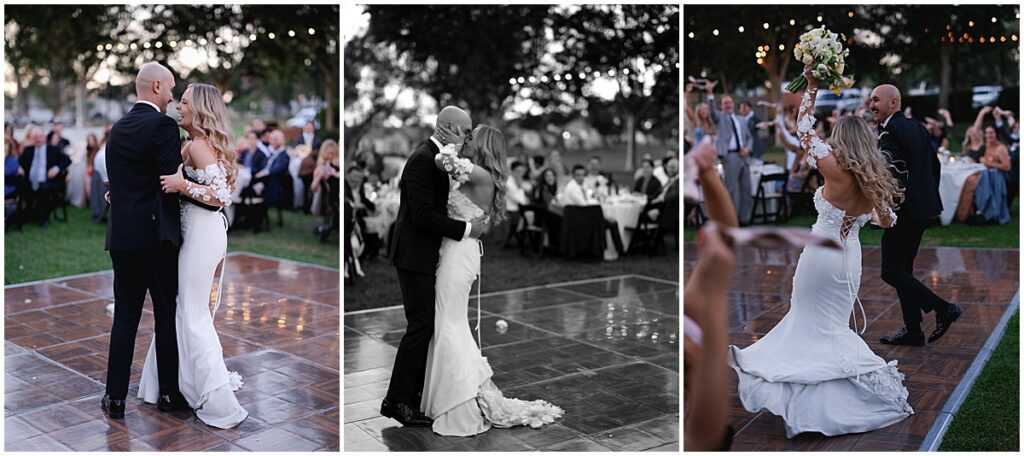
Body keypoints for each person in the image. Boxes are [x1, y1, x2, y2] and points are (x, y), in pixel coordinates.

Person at [729, 67, 913, 438]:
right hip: (850, 261)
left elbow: (803, 130)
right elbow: (888, 222)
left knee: (808, 324)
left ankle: (808, 402)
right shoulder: (870, 180)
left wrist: (810, 88)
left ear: (841, 139)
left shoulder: (833, 169)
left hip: (819, 260)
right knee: (831, 328)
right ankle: (844, 395)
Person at [424, 123, 562, 435]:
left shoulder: (478, 173)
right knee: (450, 321)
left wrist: (448, 143)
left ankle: (459, 403)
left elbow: (439, 161)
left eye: (471, 137)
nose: (466, 140)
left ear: (482, 145)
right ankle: (457, 394)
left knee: (449, 322)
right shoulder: (482, 175)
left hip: (459, 254)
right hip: (460, 249)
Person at [144, 82, 248, 429]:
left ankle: (216, 398)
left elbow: (221, 196)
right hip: (195, 232)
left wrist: (182, 185)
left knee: (191, 310)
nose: (179, 106)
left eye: (185, 102)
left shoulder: (201, 146)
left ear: (200, 109)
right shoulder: (192, 146)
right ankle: (178, 383)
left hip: (204, 233)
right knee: (184, 305)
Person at [382, 106, 487, 428]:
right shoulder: (422, 160)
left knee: (425, 326)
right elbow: (423, 216)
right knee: (420, 326)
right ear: (445, 128)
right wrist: (469, 230)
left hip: (428, 255)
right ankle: (397, 400)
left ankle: (413, 395)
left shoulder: (439, 160)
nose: (468, 137)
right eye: (465, 130)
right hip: (414, 255)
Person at [101, 62, 186, 421]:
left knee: (125, 318)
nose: (172, 96)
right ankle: (168, 394)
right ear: (155, 87)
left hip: (122, 238)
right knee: (165, 316)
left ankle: (115, 397)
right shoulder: (164, 126)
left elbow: (118, 182)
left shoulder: (117, 129)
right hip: (157, 238)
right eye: (169, 88)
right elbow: (168, 180)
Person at [868, 83, 963, 347]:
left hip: (904, 211)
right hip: (923, 209)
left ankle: (943, 308)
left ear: (894, 103)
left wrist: (888, 204)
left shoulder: (889, 132)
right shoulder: (917, 127)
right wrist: (927, 194)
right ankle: (913, 331)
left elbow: (891, 172)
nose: (870, 105)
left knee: (890, 271)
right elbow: (934, 164)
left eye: (876, 100)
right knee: (903, 270)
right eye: (870, 100)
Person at [706, 82, 754, 225]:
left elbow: (749, 138)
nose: (727, 105)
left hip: (744, 156)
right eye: (725, 103)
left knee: (746, 189)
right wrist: (710, 93)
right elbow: (712, 112)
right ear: (722, 105)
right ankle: (731, 221)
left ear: (733, 103)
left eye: (729, 102)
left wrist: (748, 149)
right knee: (732, 190)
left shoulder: (741, 120)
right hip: (730, 156)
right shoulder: (720, 117)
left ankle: (744, 219)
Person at [18, 126, 71, 226]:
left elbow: (67, 160)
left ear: (44, 137)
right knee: (21, 187)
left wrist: (56, 169)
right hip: (30, 182)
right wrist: (19, 167)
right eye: (35, 137)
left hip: (49, 181)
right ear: (32, 139)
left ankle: (44, 218)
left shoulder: (53, 150)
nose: (38, 139)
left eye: (40, 137)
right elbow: (19, 162)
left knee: (44, 189)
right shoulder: (28, 150)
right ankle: (27, 215)